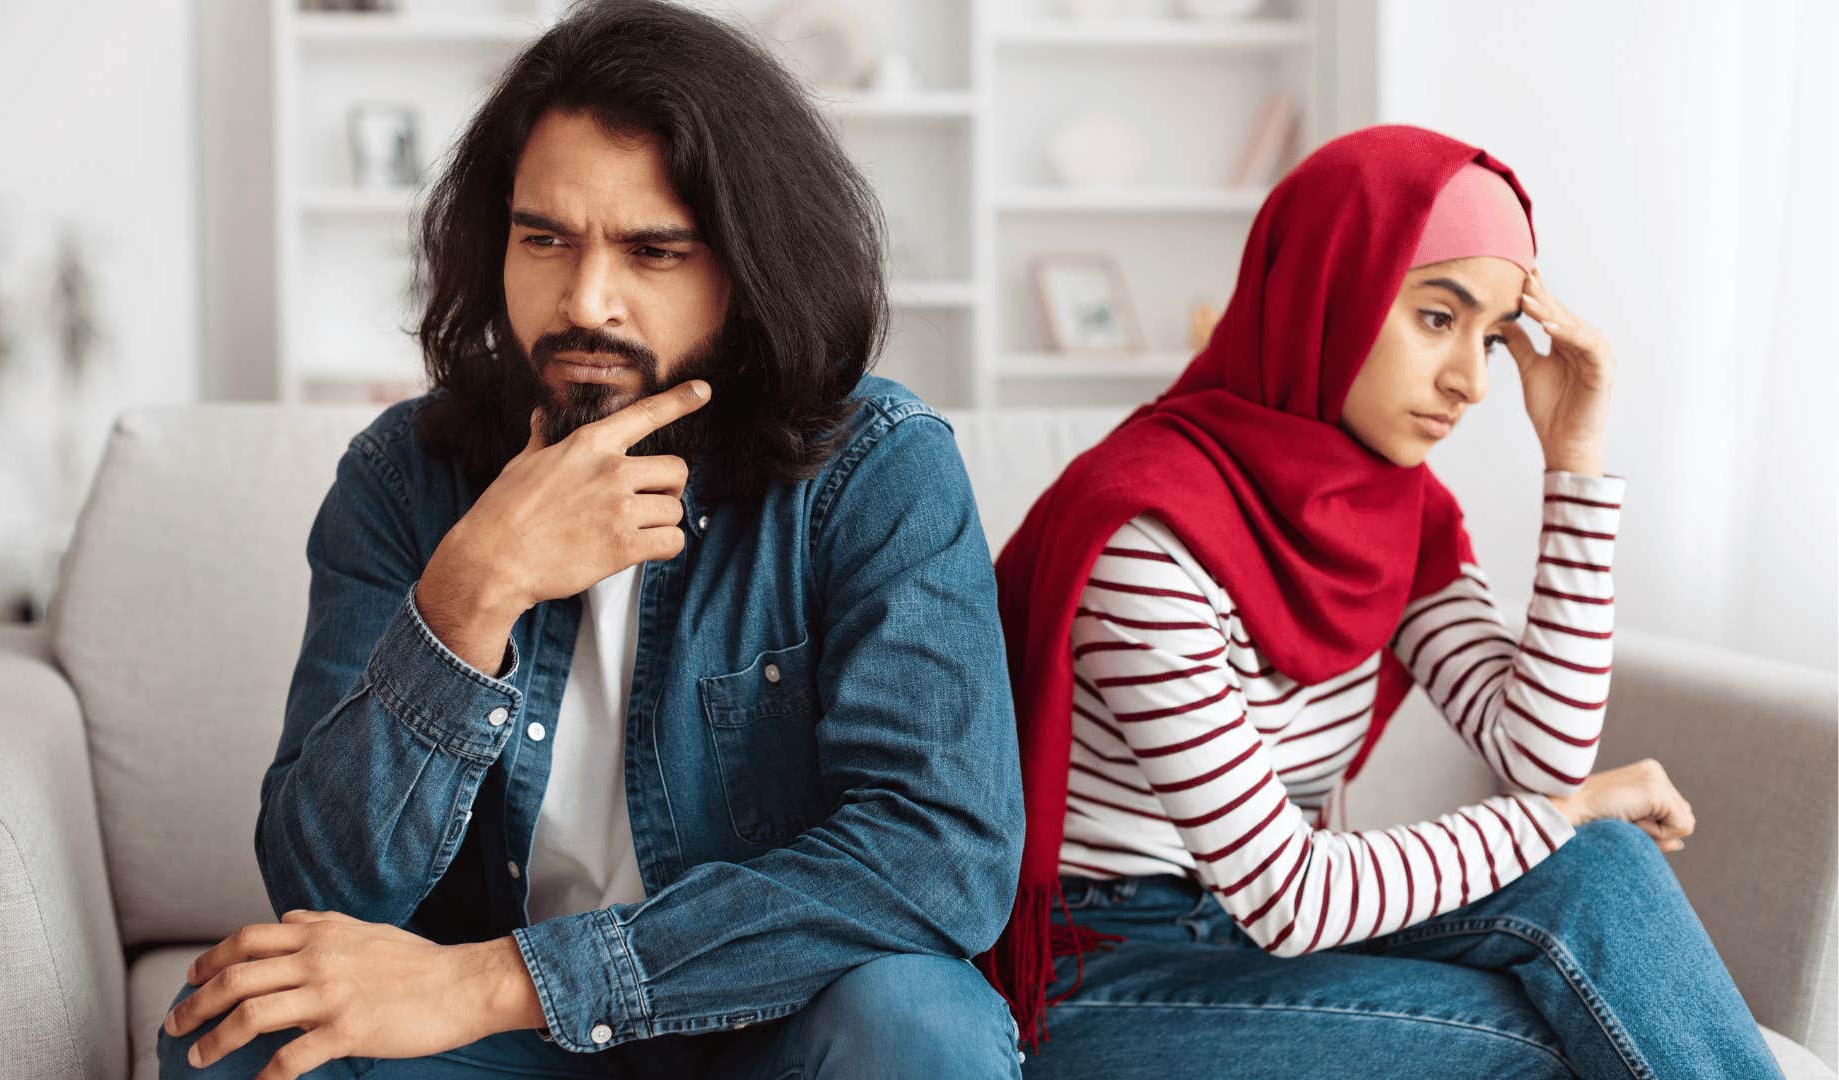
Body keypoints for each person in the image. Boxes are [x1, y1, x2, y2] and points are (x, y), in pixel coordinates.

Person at [155, 2, 1023, 1076]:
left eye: (653, 250)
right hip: (514, 1055)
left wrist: (499, 980)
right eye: (544, 239)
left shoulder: (875, 470)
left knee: (916, 1021)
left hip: (763, 1028)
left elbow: (937, 859)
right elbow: (324, 891)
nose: (585, 300)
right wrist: (471, 593)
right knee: (248, 1030)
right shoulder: (403, 478)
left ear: (747, 271)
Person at [982, 124, 1785, 1079]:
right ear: (1331, 288)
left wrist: (1574, 460)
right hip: (1107, 964)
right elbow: (1287, 896)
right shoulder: (1143, 534)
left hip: (1260, 940)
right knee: (1561, 1031)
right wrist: (1569, 810)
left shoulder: (1394, 514)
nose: (1472, 382)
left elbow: (1540, 753)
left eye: (1490, 336)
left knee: (1604, 866)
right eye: (1438, 318)